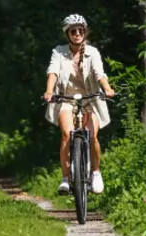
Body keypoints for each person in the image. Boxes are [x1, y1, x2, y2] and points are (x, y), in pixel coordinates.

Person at [42, 13, 115, 195]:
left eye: (80, 31)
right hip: (66, 100)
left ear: (85, 32)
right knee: (67, 135)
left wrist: (107, 88)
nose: (77, 34)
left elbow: (100, 73)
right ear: (67, 34)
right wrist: (49, 91)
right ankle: (66, 179)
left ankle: (96, 172)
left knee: (91, 136)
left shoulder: (93, 53)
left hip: (90, 100)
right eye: (73, 31)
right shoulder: (58, 52)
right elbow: (53, 72)